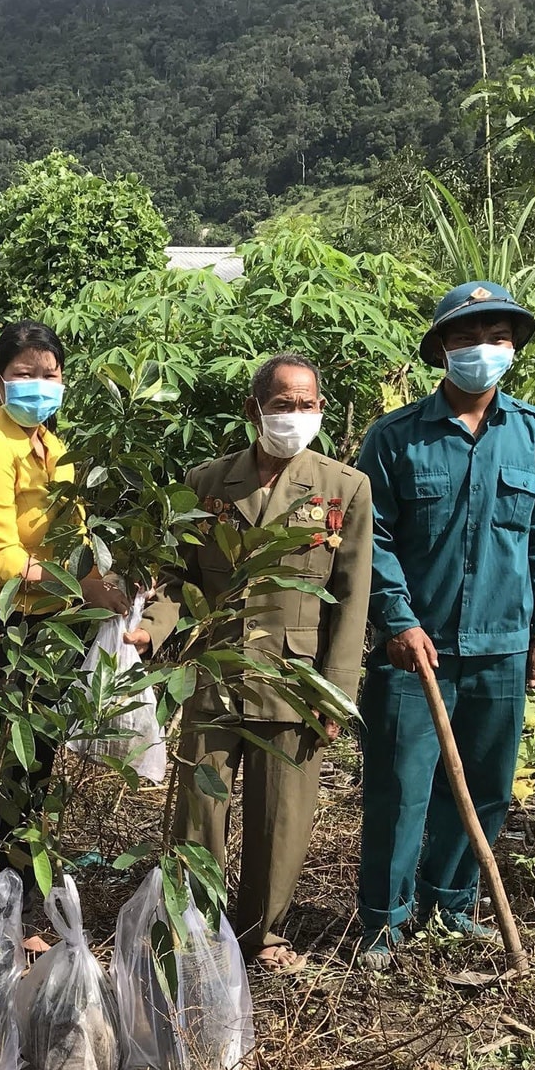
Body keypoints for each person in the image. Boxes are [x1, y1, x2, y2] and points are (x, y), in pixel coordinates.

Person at [353, 282, 535, 970]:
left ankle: (450, 904)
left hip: (503, 648)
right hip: (416, 652)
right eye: (469, 337)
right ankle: (383, 924)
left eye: (498, 336)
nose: (484, 350)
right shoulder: (395, 438)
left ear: (514, 349)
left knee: (484, 786)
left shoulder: (534, 435)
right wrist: (398, 618)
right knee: (399, 787)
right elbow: (372, 540)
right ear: (442, 349)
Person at [161, 355, 372, 975]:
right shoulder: (206, 483)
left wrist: (335, 694)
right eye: (284, 404)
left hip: (294, 679)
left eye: (307, 404)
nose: (296, 415)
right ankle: (193, 926)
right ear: (254, 410)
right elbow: (178, 579)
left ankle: (262, 933)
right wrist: (150, 634)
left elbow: (353, 597)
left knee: (282, 818)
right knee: (200, 812)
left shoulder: (344, 487)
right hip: (215, 671)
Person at [0, 321, 137, 893]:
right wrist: (82, 588)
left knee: (35, 765)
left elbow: (76, 537)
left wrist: (107, 583)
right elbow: (1, 561)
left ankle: (19, 895)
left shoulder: (57, 450)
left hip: (48, 626)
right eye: (24, 374)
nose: (38, 386)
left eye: (48, 375)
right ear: (0, 381)